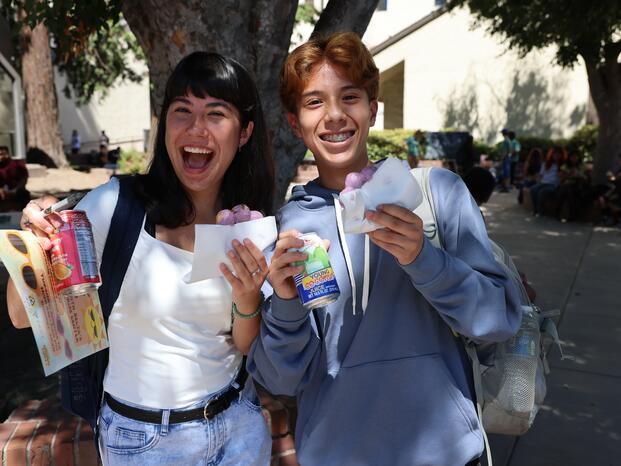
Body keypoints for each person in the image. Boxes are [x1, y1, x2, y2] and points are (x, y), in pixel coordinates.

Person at [248, 32, 521, 466]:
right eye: (315, 102)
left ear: (372, 109)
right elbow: (280, 378)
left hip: (447, 452)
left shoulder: (436, 195)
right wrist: (285, 303)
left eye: (350, 96)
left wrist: (425, 260)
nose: (334, 115)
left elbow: (498, 321)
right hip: (335, 454)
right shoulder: (286, 230)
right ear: (293, 121)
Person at [8, 52, 273, 466]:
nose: (197, 128)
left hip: (238, 426)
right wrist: (35, 240)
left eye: (216, 114)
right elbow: (21, 315)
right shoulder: (118, 206)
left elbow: (243, 343)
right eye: (182, 111)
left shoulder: (246, 220)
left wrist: (247, 297)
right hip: (143, 441)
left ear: (244, 133)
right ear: (164, 123)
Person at [530, 146, 565, 216]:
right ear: (552, 154)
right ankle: (535, 209)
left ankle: (540, 211)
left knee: (542, 192)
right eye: (555, 153)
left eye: (558, 154)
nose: (556, 155)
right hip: (543, 183)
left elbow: (562, 178)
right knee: (533, 189)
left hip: (553, 185)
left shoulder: (563, 165)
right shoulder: (546, 163)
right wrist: (538, 182)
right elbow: (540, 175)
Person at [0, 145, 30, 211]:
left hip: (16, 189)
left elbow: (24, 178)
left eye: (2, 154)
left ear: (7, 154)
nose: (1, 157)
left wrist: (17, 189)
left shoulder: (17, 164)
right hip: (3, 191)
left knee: (24, 194)